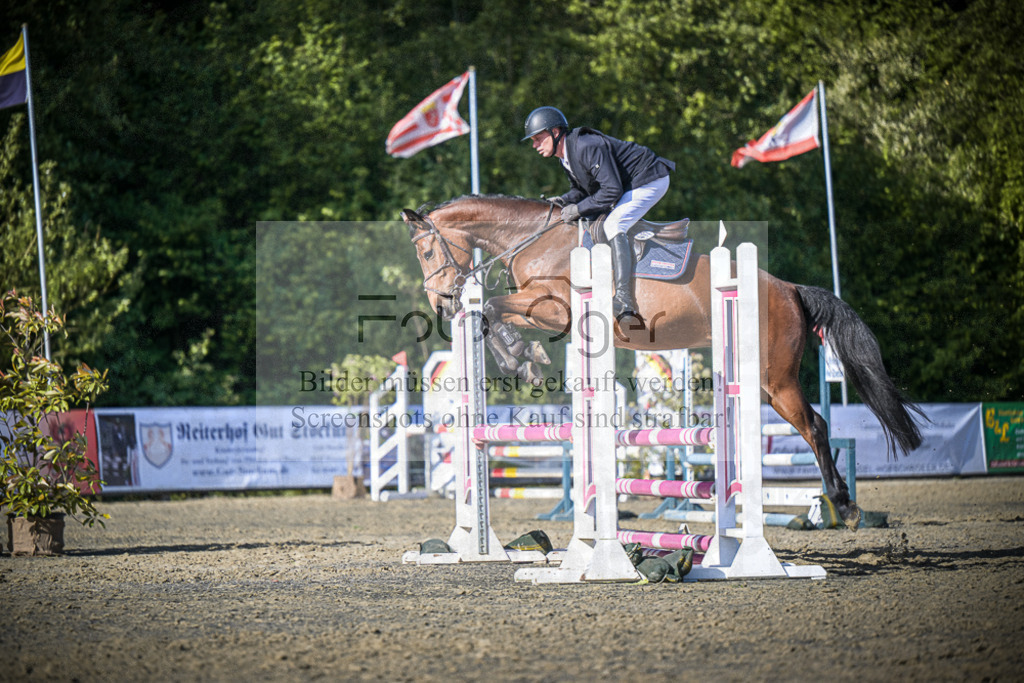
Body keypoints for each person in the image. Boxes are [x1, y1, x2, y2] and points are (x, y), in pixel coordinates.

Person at [523, 106, 675, 321]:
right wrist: (563, 201)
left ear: (555, 132)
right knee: (598, 222)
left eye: (538, 138)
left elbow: (611, 191)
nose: (534, 144)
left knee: (613, 225)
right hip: (629, 184)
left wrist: (578, 209)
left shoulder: (586, 146)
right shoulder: (565, 156)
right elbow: (582, 191)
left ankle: (624, 300)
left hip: (650, 179)